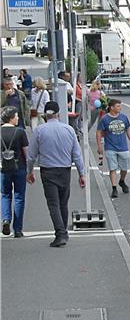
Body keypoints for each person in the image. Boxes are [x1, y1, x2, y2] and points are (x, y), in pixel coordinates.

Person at [26, 101, 85, 248]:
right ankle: (63, 231)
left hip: (48, 170)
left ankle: (60, 233)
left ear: (45, 114)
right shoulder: (69, 129)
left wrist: (30, 171)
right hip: (65, 170)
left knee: (53, 203)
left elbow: (31, 155)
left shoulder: (39, 130)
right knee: (63, 203)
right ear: (58, 114)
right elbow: (76, 154)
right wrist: (81, 173)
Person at [96, 98, 130, 199]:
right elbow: (99, 132)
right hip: (110, 147)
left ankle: (122, 180)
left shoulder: (123, 117)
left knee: (124, 168)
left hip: (123, 147)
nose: (120, 108)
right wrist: (99, 145)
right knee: (112, 168)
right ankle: (114, 188)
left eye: (120, 106)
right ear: (112, 107)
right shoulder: (105, 119)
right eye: (118, 106)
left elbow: (128, 129)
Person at [1, 107, 30, 238]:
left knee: (5, 195)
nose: (18, 118)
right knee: (19, 197)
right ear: (11, 117)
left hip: (3, 168)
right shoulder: (20, 132)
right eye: (16, 116)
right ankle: (17, 229)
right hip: (19, 167)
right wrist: (30, 169)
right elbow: (26, 152)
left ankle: (6, 219)